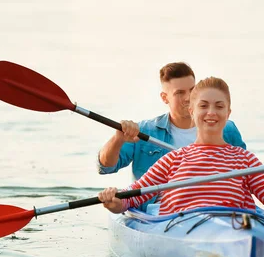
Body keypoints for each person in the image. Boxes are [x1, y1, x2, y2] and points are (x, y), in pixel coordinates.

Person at [98, 77, 264, 219]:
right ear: (192, 111)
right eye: (203, 106)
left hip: (237, 232)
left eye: (219, 106)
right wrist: (111, 200)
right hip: (181, 232)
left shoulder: (246, 161)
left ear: (228, 113)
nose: (211, 113)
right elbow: (127, 201)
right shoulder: (172, 160)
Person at [97, 62, 246, 181]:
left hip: (215, 207)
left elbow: (245, 176)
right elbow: (106, 167)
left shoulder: (227, 128)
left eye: (192, 90)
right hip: (157, 212)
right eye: (179, 93)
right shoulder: (144, 131)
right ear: (164, 98)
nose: (188, 98)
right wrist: (118, 139)